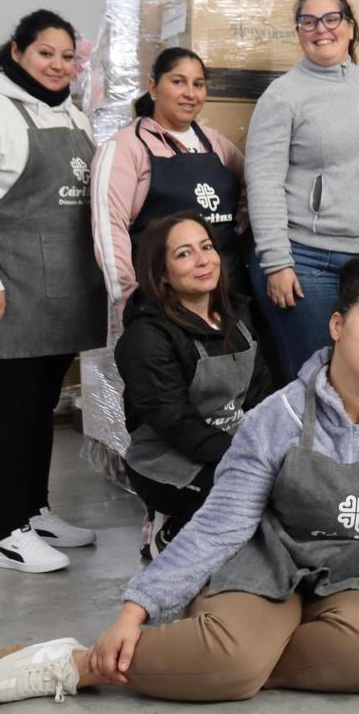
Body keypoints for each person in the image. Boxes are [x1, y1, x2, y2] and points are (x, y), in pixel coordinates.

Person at [0, 262, 359, 705]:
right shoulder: (277, 416)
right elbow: (223, 521)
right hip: (267, 565)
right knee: (235, 659)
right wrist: (137, 609)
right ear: (338, 326)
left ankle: (237, 660)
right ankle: (80, 663)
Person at [0, 9, 107, 573]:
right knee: (12, 408)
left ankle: (34, 511)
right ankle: (8, 534)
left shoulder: (75, 118)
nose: (58, 65)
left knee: (40, 408)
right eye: (45, 53)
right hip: (0, 290)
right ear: (17, 52)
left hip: (58, 291)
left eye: (67, 56)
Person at [245, 0, 359, 378]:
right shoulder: (282, 96)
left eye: (331, 18)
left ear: (351, 28)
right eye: (308, 21)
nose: (321, 29)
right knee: (317, 379)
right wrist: (276, 262)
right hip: (312, 261)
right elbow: (263, 180)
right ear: (299, 31)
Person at [115, 213, 275, 559]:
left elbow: (262, 394)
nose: (203, 260)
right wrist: (246, 460)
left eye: (207, 247)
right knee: (245, 493)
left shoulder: (237, 315)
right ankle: (174, 530)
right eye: (185, 254)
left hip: (232, 442)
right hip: (167, 459)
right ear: (161, 274)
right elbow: (176, 422)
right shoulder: (146, 337)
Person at [91, 47, 247, 305]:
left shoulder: (218, 144)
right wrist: (128, 302)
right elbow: (110, 232)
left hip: (228, 295)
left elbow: (254, 192)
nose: (190, 93)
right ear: (153, 87)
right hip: (161, 303)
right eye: (178, 82)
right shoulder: (126, 148)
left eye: (198, 84)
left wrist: (235, 227)